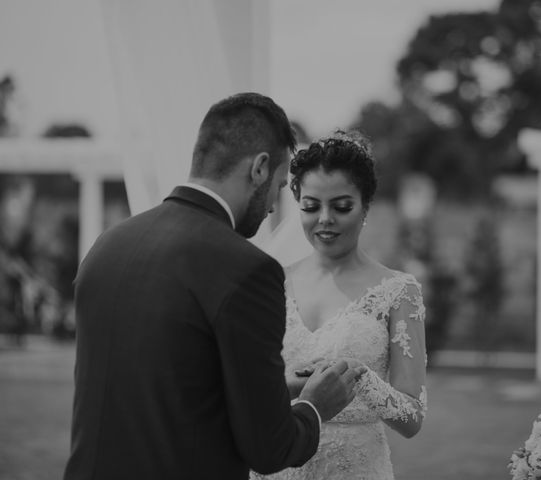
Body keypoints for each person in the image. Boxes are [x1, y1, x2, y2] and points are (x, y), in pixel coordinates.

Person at [63, 93, 365, 480]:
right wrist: (315, 406)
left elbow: (158, 385)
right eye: (279, 182)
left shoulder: (106, 247)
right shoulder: (248, 270)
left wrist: (270, 393)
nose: (275, 202)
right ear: (259, 168)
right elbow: (271, 449)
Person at [252, 130, 428, 480]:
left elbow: (412, 418)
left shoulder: (398, 291)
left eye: (341, 206)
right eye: (311, 206)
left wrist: (360, 378)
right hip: (280, 465)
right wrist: (286, 386)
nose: (325, 219)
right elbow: (246, 391)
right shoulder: (271, 281)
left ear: (365, 206)